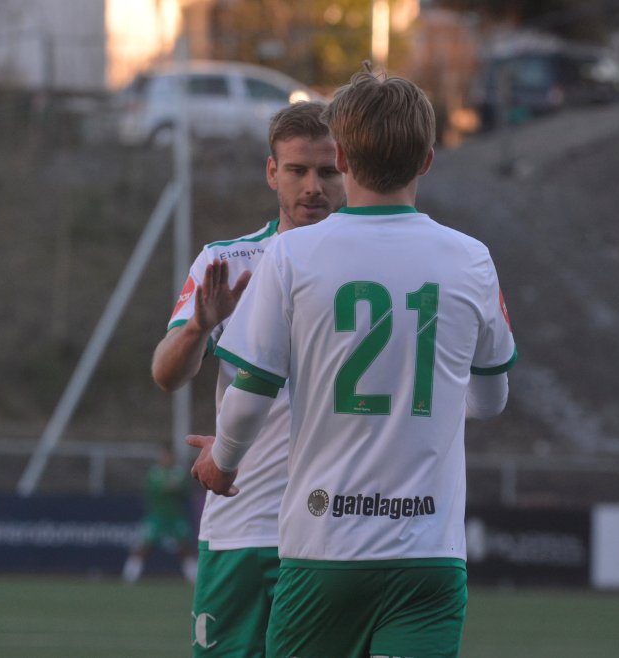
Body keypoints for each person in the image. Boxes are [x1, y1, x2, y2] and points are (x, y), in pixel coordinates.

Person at [187, 69, 516, 658]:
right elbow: (491, 400)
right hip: (427, 553)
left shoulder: (291, 253)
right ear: (427, 161)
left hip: (324, 549)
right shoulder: (472, 259)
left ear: (340, 157)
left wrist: (223, 461)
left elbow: (252, 392)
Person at [151, 100, 344, 655]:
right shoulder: (228, 261)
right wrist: (197, 329)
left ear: (349, 172)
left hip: (331, 532)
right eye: (297, 170)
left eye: (328, 171)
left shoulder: (369, 270)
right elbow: (167, 374)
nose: (313, 187)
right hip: (239, 524)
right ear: (271, 172)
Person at [122, 446, 197, 583]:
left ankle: (195, 578)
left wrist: (176, 488)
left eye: (169, 456)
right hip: (157, 516)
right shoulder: (155, 472)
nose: (166, 459)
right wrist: (167, 487)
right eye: (164, 456)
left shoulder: (179, 472)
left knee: (185, 547)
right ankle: (129, 577)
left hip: (176, 516)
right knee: (144, 545)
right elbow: (151, 490)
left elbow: (186, 491)